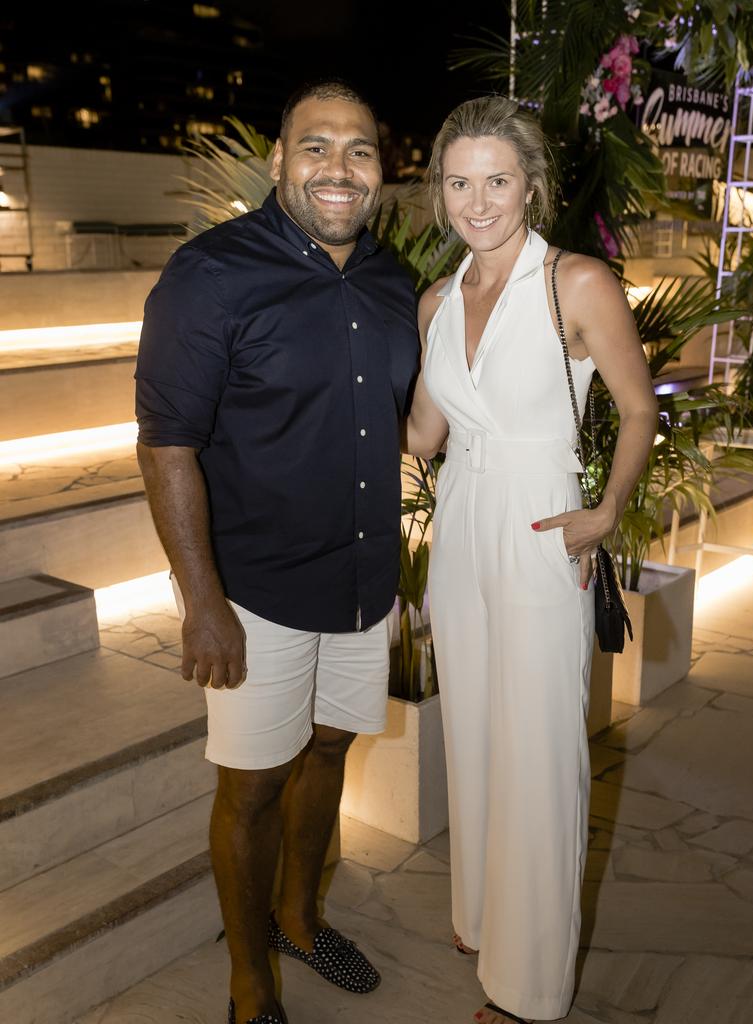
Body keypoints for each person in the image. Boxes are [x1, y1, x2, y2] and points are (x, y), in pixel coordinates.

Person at [135, 80, 419, 1024]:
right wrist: (201, 600)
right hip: (255, 589)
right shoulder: (210, 274)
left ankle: (300, 915)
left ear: (383, 170)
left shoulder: (391, 282)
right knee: (252, 787)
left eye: (361, 150)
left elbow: (405, 426)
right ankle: (249, 979)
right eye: (317, 147)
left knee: (330, 749)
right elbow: (168, 439)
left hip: (362, 581)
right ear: (279, 160)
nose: (339, 168)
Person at [405, 96, 657, 1024]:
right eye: (459, 181)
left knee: (541, 751)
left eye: (496, 180)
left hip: (545, 525)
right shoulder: (435, 299)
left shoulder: (576, 283)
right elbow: (425, 436)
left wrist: (608, 509)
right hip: (462, 524)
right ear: (439, 188)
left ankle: (528, 987)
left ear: (531, 185)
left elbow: (638, 408)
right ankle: (481, 918)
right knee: (472, 728)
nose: (477, 201)